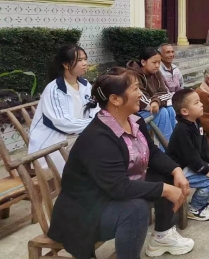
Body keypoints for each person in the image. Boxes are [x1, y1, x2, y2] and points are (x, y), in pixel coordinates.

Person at [47, 68, 194, 259]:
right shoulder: (98, 138)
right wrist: (164, 190)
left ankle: (162, 236)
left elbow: (152, 152)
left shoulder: (134, 121)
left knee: (165, 174)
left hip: (111, 194)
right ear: (115, 99)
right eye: (135, 89)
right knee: (136, 209)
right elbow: (118, 187)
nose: (140, 94)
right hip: (86, 211)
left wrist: (176, 170)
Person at [29, 44, 100, 174]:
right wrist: (97, 124)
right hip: (54, 142)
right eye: (79, 60)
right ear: (66, 65)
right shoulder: (54, 90)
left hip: (77, 135)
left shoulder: (85, 85)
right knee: (100, 143)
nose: (85, 63)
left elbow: (95, 110)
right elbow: (63, 122)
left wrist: (98, 123)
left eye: (85, 59)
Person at [168, 88, 209, 222]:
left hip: (192, 165)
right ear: (185, 111)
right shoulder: (182, 130)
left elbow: (203, 145)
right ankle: (194, 208)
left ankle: (203, 203)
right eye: (196, 102)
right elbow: (190, 156)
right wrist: (205, 170)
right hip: (178, 170)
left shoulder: (196, 123)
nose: (201, 104)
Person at [127, 47, 177, 147]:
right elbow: (144, 102)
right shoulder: (133, 75)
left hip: (152, 108)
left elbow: (166, 93)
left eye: (159, 62)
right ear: (143, 62)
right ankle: (167, 150)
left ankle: (174, 144)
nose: (157, 65)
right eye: (154, 62)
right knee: (163, 112)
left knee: (170, 109)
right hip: (136, 114)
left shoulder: (156, 72)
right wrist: (156, 101)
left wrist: (156, 101)